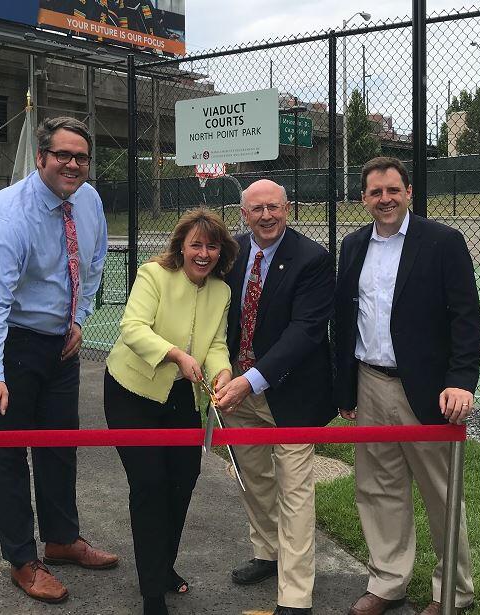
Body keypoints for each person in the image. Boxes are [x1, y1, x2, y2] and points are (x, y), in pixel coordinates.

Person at [0, 116, 118, 605]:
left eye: (81, 157)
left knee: (58, 443)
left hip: (59, 340)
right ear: (41, 157)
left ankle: (62, 539)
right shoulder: (9, 213)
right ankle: (23, 558)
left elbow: (94, 261)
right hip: (4, 340)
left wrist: (78, 317)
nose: (73, 164)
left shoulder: (87, 200)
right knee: (5, 453)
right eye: (63, 155)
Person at [335, 157, 480, 615]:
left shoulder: (442, 242)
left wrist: (460, 381)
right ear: (363, 198)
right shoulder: (353, 245)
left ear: (408, 192)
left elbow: (465, 319)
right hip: (369, 382)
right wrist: (346, 391)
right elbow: (344, 322)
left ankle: (453, 593)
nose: (385, 199)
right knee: (378, 488)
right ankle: (387, 581)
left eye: (393, 190)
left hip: (426, 389)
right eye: (376, 192)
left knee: (441, 493)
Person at [104, 208, 238, 615]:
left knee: (183, 480)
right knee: (149, 485)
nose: (203, 253)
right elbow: (133, 328)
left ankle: (161, 566)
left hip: (181, 397)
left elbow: (215, 345)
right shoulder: (153, 275)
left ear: (221, 251)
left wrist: (223, 373)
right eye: (195, 244)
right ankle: (151, 592)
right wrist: (177, 354)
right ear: (180, 245)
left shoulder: (221, 292)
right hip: (132, 391)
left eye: (211, 246)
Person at [214, 179, 336, 615]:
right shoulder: (233, 252)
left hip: (287, 394)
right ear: (243, 214)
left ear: (288, 209)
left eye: (274, 208)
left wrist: (252, 379)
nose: (266, 216)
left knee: (295, 491)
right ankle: (267, 552)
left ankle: (296, 594)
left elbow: (305, 331)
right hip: (237, 391)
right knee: (254, 481)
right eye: (256, 209)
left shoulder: (312, 259)